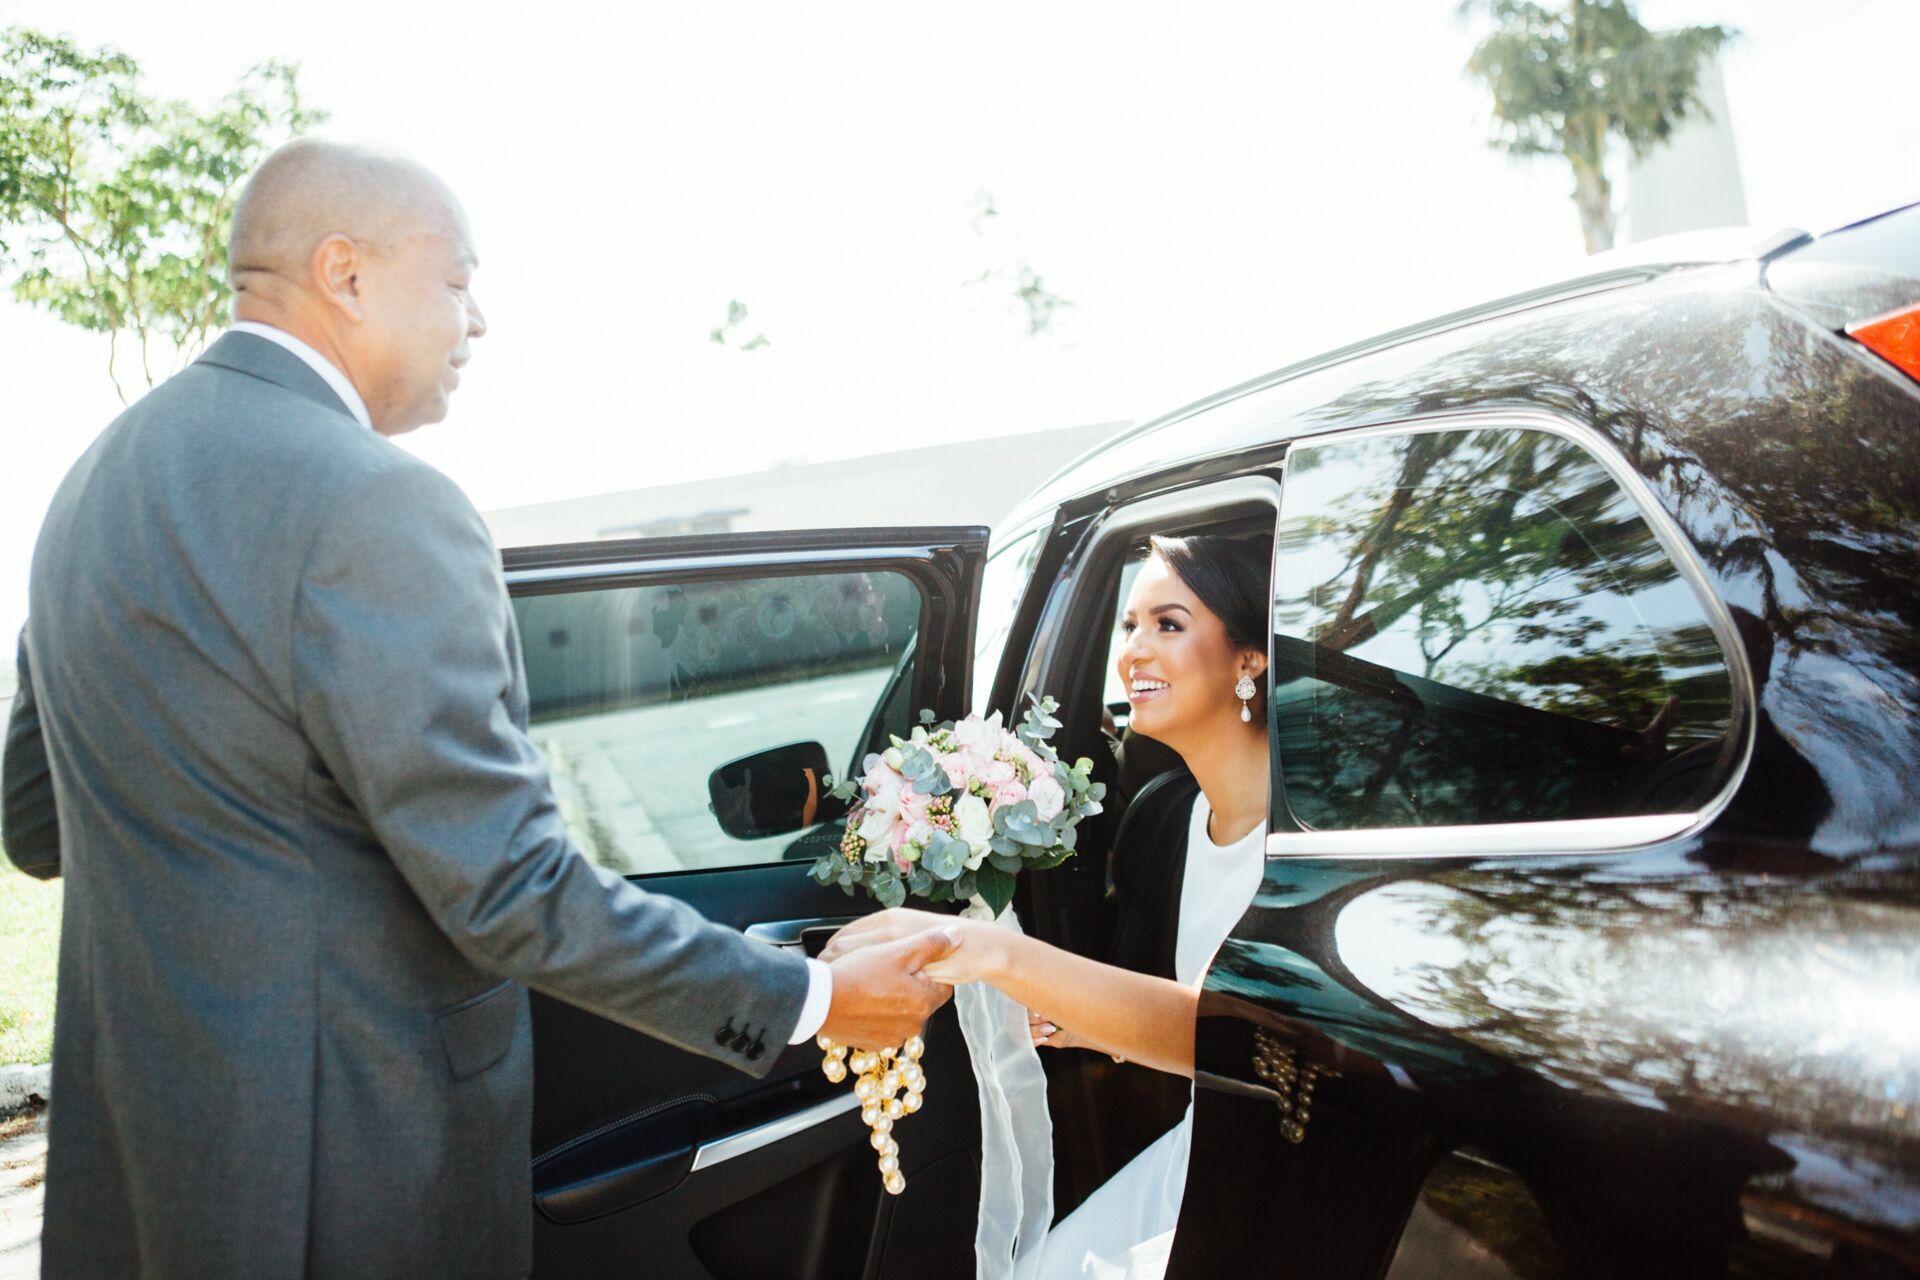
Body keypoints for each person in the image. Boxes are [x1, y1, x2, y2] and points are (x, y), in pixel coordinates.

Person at [1, 137, 955, 1279]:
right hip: (345, 1171)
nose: (478, 320)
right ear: (345, 273)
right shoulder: (375, 502)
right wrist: (812, 996)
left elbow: (35, 819)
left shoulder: (91, 487)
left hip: (149, 1160)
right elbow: (507, 887)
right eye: (457, 280)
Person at [825, 533, 1272, 1278]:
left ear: (1249, 657)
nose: (1133, 650)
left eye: (1168, 624)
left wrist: (994, 952)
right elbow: (1190, 1022)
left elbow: (1254, 1044)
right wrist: (1089, 1026)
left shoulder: (1303, 839)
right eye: (1130, 626)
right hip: (1202, 1141)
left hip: (1272, 1169)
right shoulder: (1173, 820)